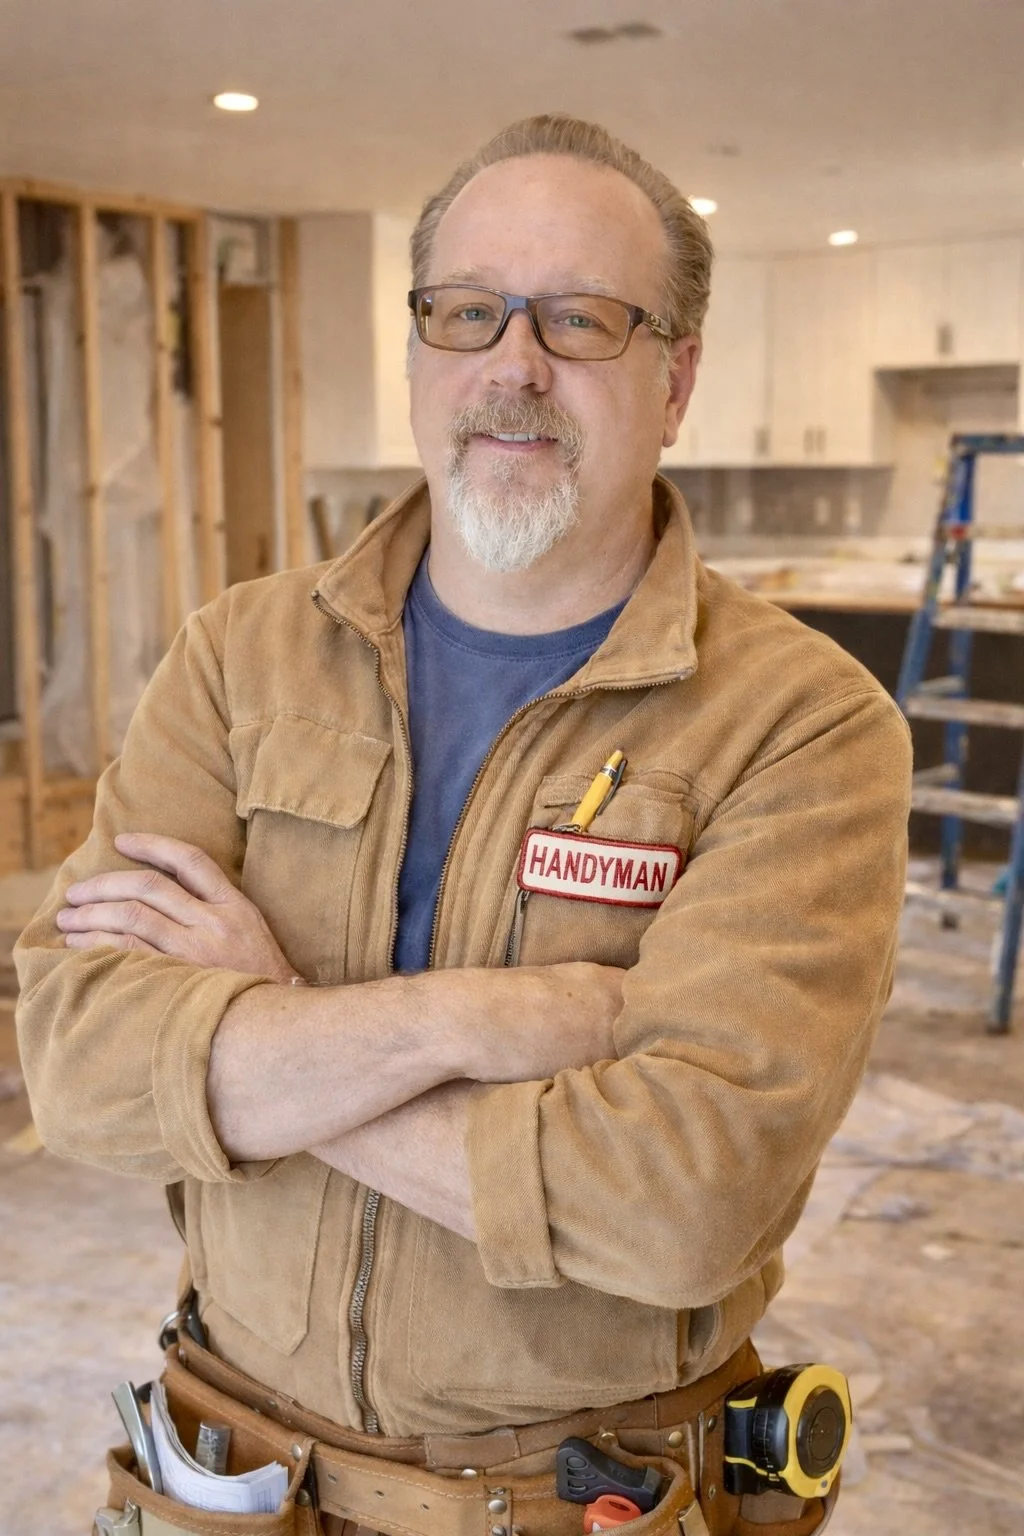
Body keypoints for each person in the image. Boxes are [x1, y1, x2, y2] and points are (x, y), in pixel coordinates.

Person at [15, 115, 911, 1535]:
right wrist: (476, 1020)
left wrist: (265, 1024)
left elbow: (686, 1200)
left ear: (675, 380)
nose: (514, 365)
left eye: (581, 319)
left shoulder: (802, 724)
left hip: (576, 1498)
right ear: (420, 349)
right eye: (468, 311)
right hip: (227, 1479)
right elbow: (80, 1067)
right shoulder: (239, 659)